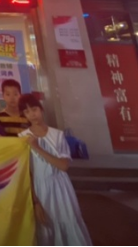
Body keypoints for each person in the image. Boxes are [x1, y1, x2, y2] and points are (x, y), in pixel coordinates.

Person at [18, 94, 92, 246]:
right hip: (39, 190)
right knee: (46, 228)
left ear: (41, 109)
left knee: (68, 221)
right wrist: (35, 202)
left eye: (34, 109)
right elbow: (27, 173)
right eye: (27, 112)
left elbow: (63, 166)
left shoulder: (57, 135)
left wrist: (37, 147)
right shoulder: (22, 138)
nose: (32, 114)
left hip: (60, 188)